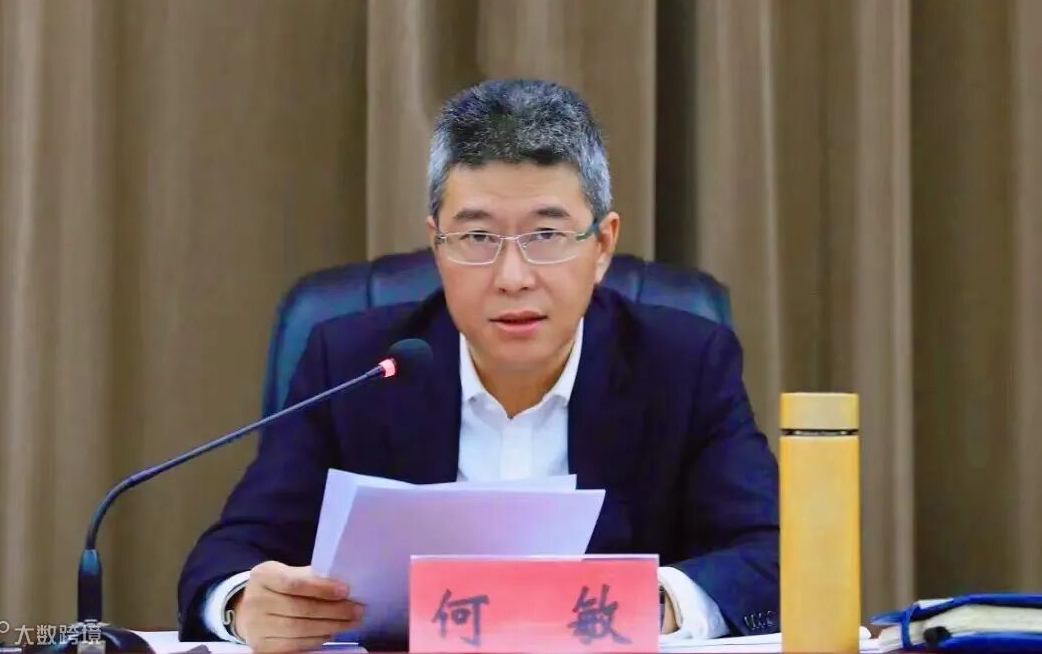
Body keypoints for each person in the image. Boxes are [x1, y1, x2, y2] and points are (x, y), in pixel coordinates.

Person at [178, 78, 779, 652]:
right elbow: (229, 555)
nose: (513, 278)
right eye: (478, 238)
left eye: (546, 235)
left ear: (601, 246)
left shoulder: (684, 365)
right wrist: (243, 605)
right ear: (437, 245)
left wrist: (651, 604)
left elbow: (773, 553)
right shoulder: (355, 366)